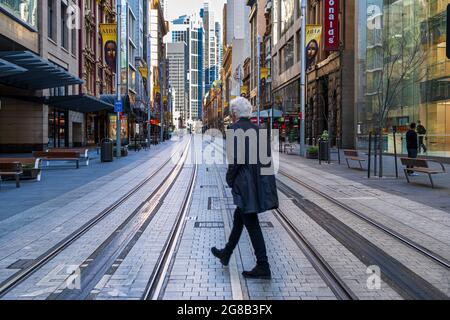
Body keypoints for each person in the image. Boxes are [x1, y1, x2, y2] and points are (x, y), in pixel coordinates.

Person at [211, 97, 279, 279]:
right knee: (239, 217)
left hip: (245, 185)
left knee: (251, 223)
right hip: (256, 184)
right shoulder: (260, 131)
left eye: (231, 113)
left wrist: (230, 179)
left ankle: (263, 265)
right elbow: (266, 162)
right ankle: (226, 253)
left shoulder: (234, 130)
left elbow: (236, 161)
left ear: (234, 114)